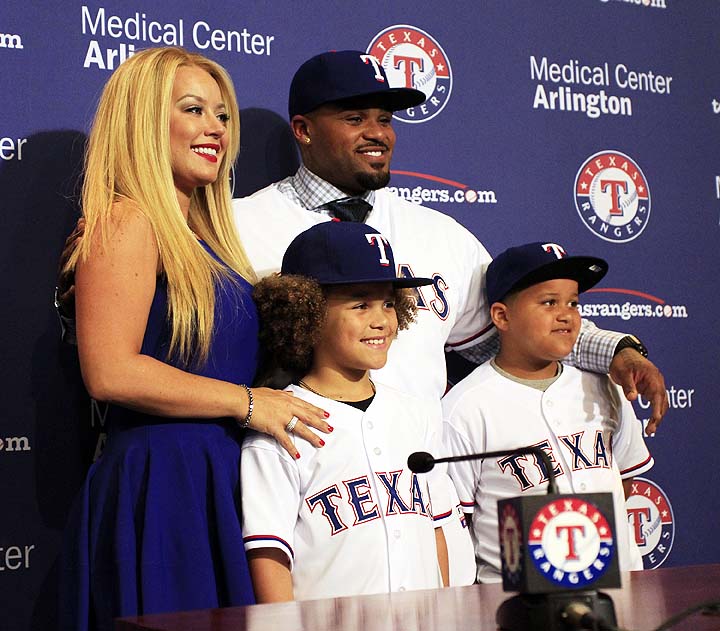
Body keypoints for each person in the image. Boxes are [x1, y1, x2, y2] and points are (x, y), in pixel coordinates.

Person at [58, 46, 331, 631]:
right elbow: (110, 370)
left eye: (223, 115)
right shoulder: (128, 221)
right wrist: (250, 403)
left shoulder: (206, 240)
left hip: (217, 478)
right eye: (194, 110)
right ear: (144, 121)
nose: (216, 129)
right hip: (164, 489)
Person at [241, 221, 453, 601]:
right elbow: (269, 555)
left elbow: (435, 531)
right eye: (361, 304)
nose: (381, 320)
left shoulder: (417, 413)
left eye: (388, 303)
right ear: (304, 312)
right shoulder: (280, 423)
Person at [442, 242, 654, 582]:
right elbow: (458, 523)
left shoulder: (604, 386)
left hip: (617, 587)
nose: (566, 314)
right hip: (517, 600)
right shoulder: (465, 407)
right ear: (502, 316)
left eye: (573, 302)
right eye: (548, 302)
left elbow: (624, 479)